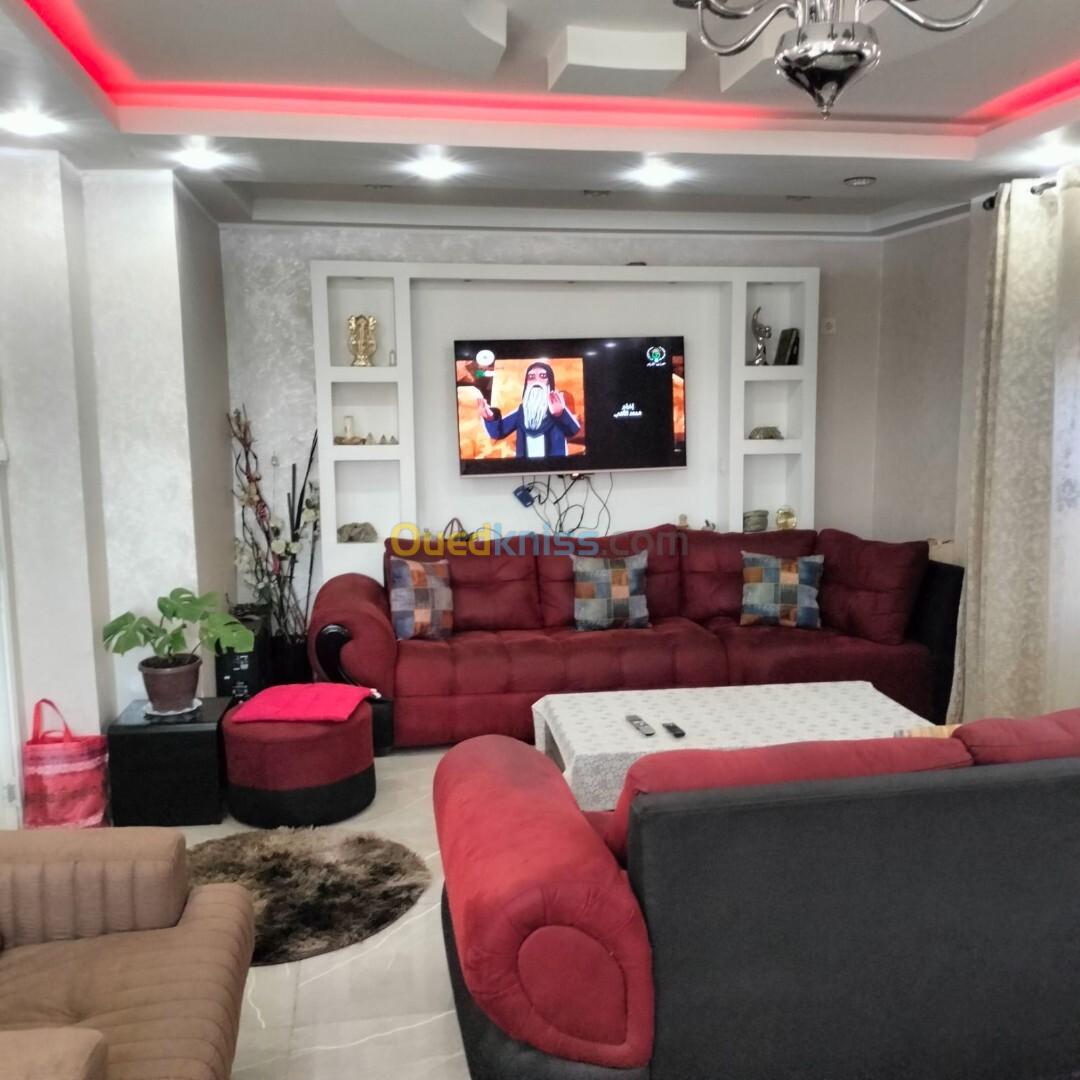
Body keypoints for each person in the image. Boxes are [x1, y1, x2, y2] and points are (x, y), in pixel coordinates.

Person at [476, 362, 581, 459]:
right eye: (531, 377)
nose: (536, 381)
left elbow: (573, 431)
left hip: (553, 466)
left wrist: (560, 414)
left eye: (543, 376)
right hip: (525, 467)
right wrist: (490, 418)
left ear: (549, 382)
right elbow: (498, 432)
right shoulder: (521, 412)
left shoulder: (557, 410)